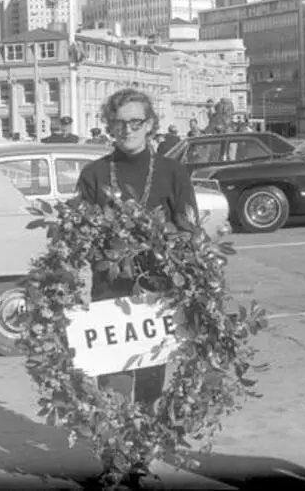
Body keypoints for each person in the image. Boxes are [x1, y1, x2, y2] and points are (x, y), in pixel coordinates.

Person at [76, 88, 198, 405]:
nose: (127, 129)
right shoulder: (94, 175)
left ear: (149, 124)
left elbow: (188, 232)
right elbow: (79, 236)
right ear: (109, 126)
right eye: (119, 123)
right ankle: (116, 454)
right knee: (113, 387)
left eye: (135, 121)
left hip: (156, 298)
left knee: (150, 386)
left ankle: (142, 452)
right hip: (110, 294)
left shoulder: (174, 173)